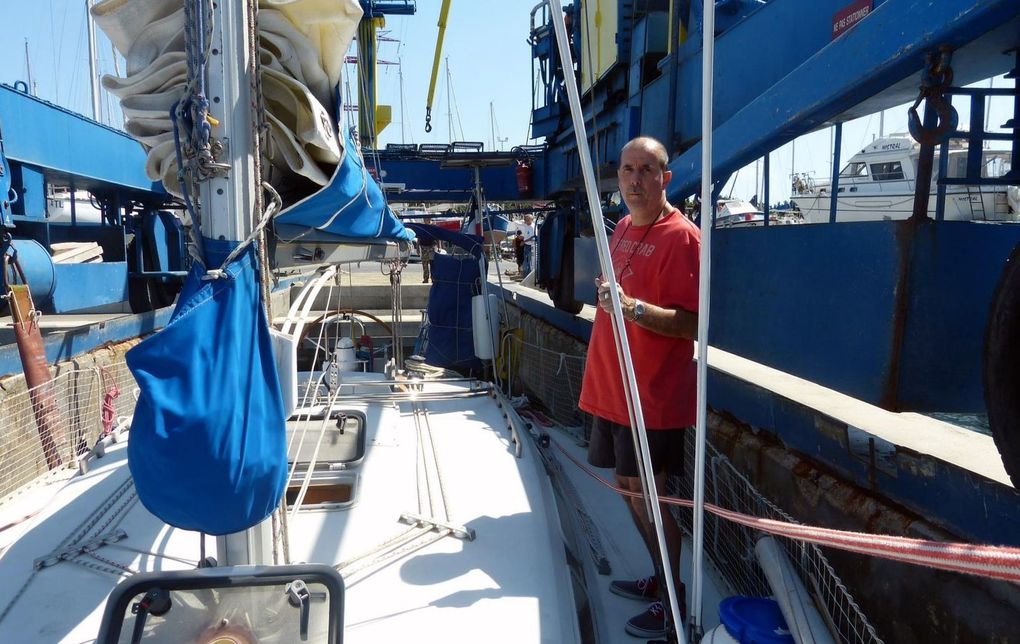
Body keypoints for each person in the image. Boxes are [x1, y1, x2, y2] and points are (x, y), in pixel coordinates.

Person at [578, 136, 700, 640]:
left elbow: (693, 322)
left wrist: (632, 308)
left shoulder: (683, 237)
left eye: (646, 170)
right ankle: (660, 580)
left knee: (652, 498)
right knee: (628, 492)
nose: (634, 180)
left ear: (665, 178)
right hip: (612, 389)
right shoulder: (623, 227)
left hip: (650, 397)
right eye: (627, 170)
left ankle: (674, 603)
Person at [420, 217, 437, 283]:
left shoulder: (433, 227)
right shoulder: (422, 227)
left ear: (430, 219)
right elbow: (419, 237)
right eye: (425, 219)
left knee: (433, 264)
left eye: (427, 219)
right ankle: (426, 278)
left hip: (432, 247)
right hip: (424, 247)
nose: (426, 220)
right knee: (425, 264)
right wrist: (418, 247)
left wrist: (439, 247)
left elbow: (437, 237)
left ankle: (433, 278)